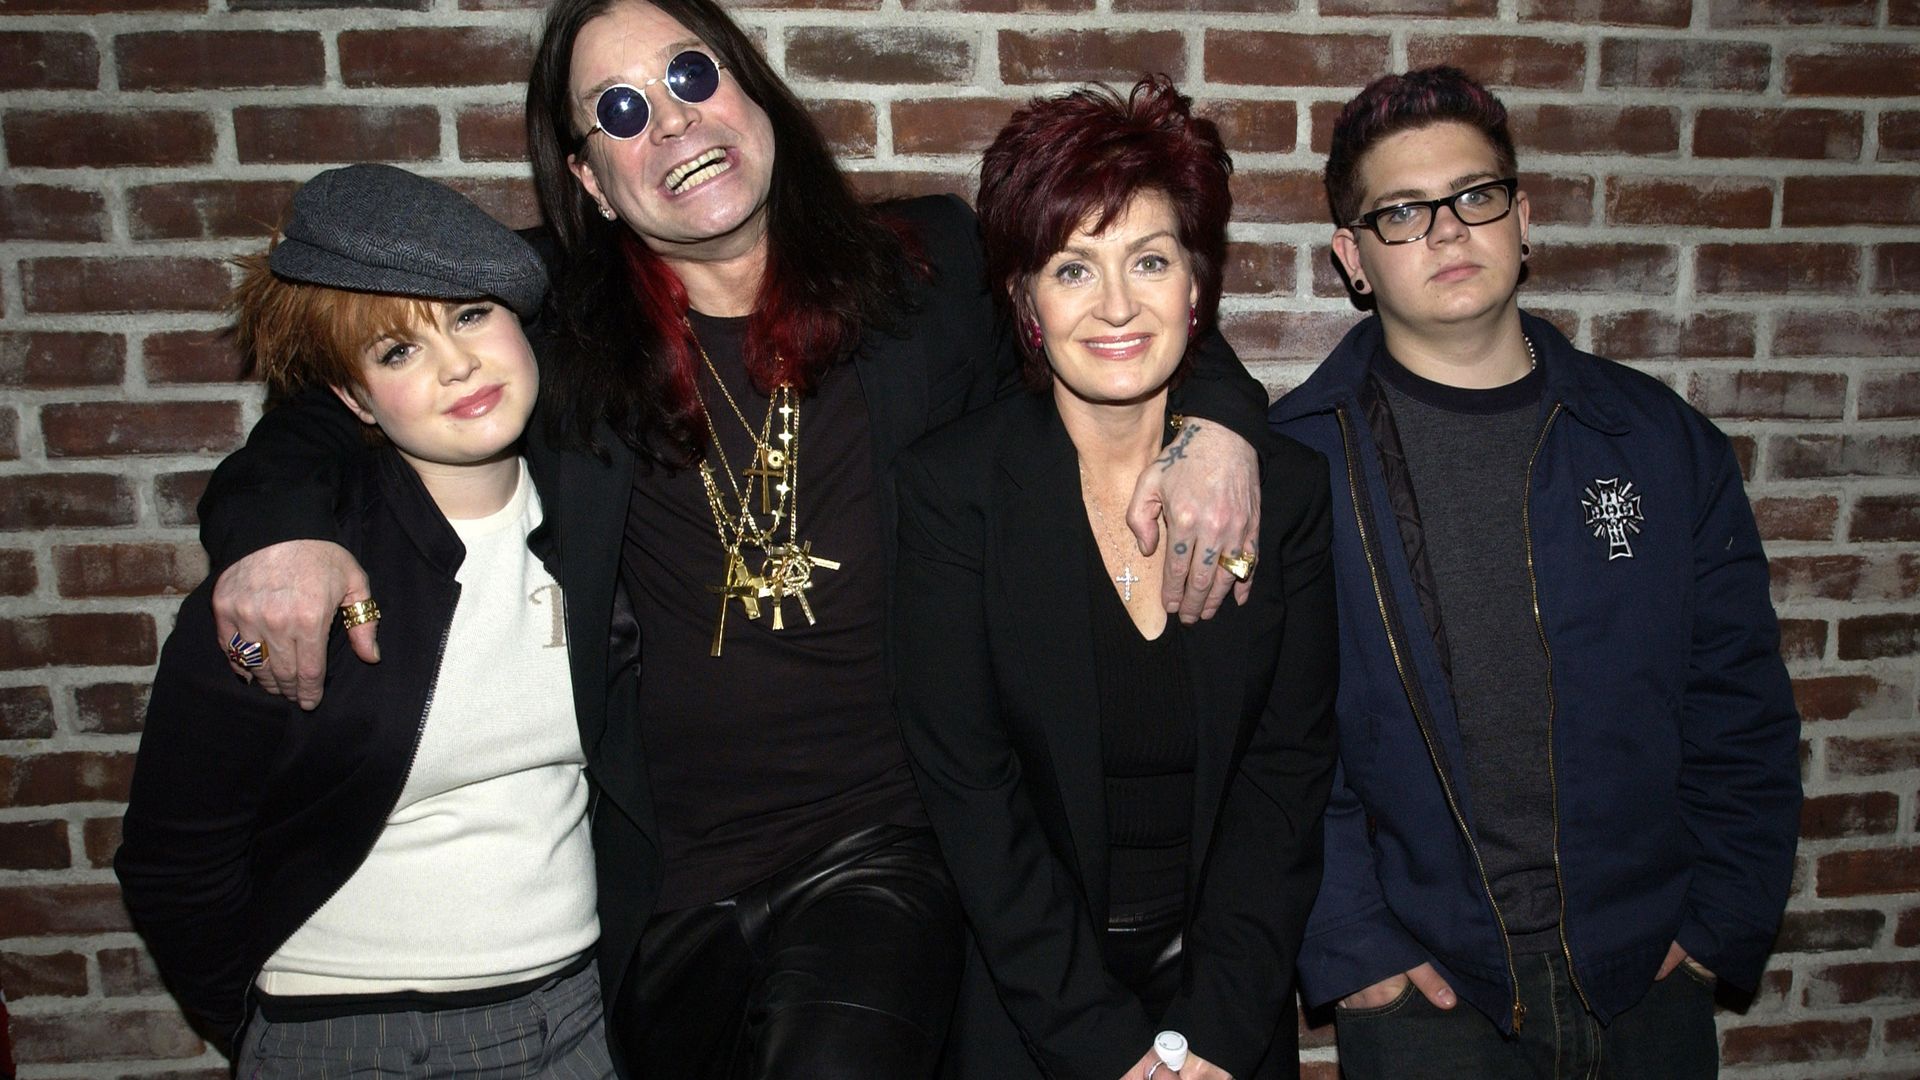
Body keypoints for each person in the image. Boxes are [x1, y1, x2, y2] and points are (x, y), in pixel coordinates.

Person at [187, 0, 1273, 1074]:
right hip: (662, 881)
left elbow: (1115, 318)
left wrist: (1219, 424)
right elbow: (331, 401)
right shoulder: (534, 320)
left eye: (692, 77)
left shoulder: (927, 272)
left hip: (886, 844)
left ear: (756, 96)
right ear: (586, 180)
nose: (671, 122)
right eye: (618, 109)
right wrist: (275, 531)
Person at [1268, 66, 1802, 1078]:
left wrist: (1719, 923)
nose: (1448, 231)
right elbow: (1273, 745)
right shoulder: (1295, 463)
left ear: (1523, 217)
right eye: (1401, 213)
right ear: (1353, 259)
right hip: (1426, 997)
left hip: (1647, 977)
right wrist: (1356, 945)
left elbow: (1738, 702)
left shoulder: (1658, 442)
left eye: (1475, 197)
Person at [115, 164, 617, 1077]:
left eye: (470, 315)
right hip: (356, 1037)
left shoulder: (597, 516)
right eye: (397, 352)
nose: (457, 363)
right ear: (351, 400)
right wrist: (270, 1037)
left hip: (580, 1021)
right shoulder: (295, 579)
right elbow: (174, 857)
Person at [894, 78, 1337, 1080]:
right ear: (1025, 303)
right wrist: (1105, 1048)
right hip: (1033, 1013)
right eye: (1071, 268)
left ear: (1196, 288)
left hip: (1228, 1007)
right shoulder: (951, 490)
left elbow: (1286, 779)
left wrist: (1219, 1035)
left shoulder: (1289, 493)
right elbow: (971, 793)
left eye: (1148, 259)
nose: (1118, 306)